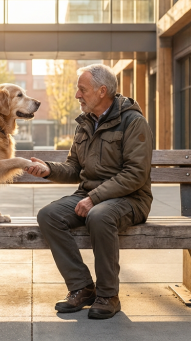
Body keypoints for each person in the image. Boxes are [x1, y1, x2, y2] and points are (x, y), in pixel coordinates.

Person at [25, 64, 153, 320]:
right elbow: (75, 168)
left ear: (102, 91)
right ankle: (82, 287)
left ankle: (108, 295)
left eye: (82, 89)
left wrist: (95, 198)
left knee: (99, 215)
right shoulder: (85, 123)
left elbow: (135, 174)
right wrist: (48, 170)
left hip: (130, 199)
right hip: (90, 195)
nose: (77, 95)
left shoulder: (133, 122)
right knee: (49, 215)